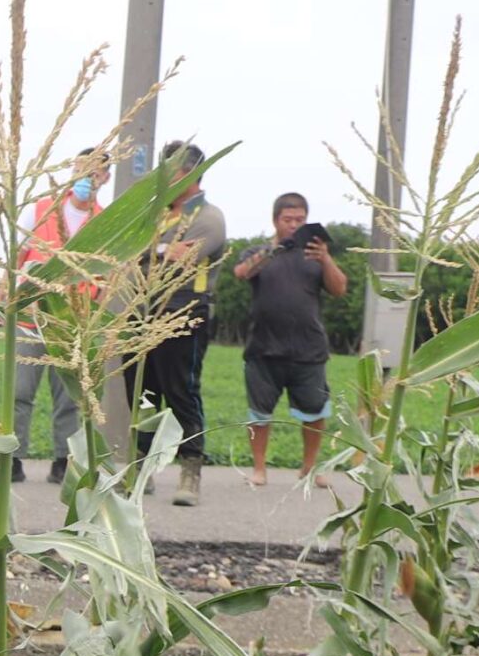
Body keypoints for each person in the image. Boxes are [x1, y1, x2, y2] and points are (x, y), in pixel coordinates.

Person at [232, 191, 347, 489]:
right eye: (288, 219)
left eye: (300, 219)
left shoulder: (314, 256)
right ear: (275, 221)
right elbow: (242, 273)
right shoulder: (258, 252)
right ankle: (259, 469)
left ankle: (309, 468)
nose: (294, 225)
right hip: (263, 348)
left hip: (308, 350)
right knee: (259, 414)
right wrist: (273, 250)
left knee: (315, 411)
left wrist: (326, 258)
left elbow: (339, 289)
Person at [133, 140, 226, 504]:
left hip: (185, 314)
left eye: (169, 170)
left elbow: (183, 257)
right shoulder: (155, 216)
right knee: (142, 394)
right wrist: (157, 249)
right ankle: (141, 468)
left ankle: (191, 471)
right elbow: (128, 249)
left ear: (191, 173)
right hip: (143, 314)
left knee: (181, 392)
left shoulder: (209, 217)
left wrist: (150, 251)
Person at [13, 148, 109, 482]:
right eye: (83, 170)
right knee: (20, 392)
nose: (87, 178)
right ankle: (13, 458)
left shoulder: (106, 219)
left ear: (105, 178)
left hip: (73, 322)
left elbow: (108, 275)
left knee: (68, 394)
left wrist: (96, 316)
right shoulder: (42, 208)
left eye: (95, 173)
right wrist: (6, 300)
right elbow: (16, 256)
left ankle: (62, 460)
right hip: (31, 315)